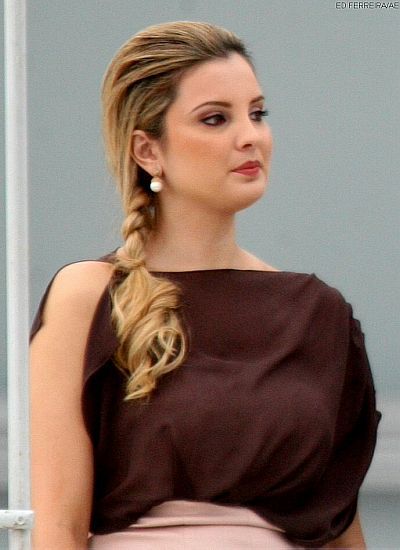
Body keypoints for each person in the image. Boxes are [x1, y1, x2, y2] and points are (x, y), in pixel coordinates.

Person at [29, 21, 381, 549]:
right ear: (147, 150)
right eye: (215, 118)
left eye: (257, 113)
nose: (250, 136)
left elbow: (339, 527)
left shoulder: (319, 314)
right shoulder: (88, 296)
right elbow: (59, 528)